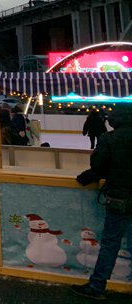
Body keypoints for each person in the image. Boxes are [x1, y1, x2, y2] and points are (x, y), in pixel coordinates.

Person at [71, 104, 132, 300]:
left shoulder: (109, 139)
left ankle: (97, 286)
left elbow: (98, 166)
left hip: (119, 199)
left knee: (110, 244)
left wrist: (89, 176)